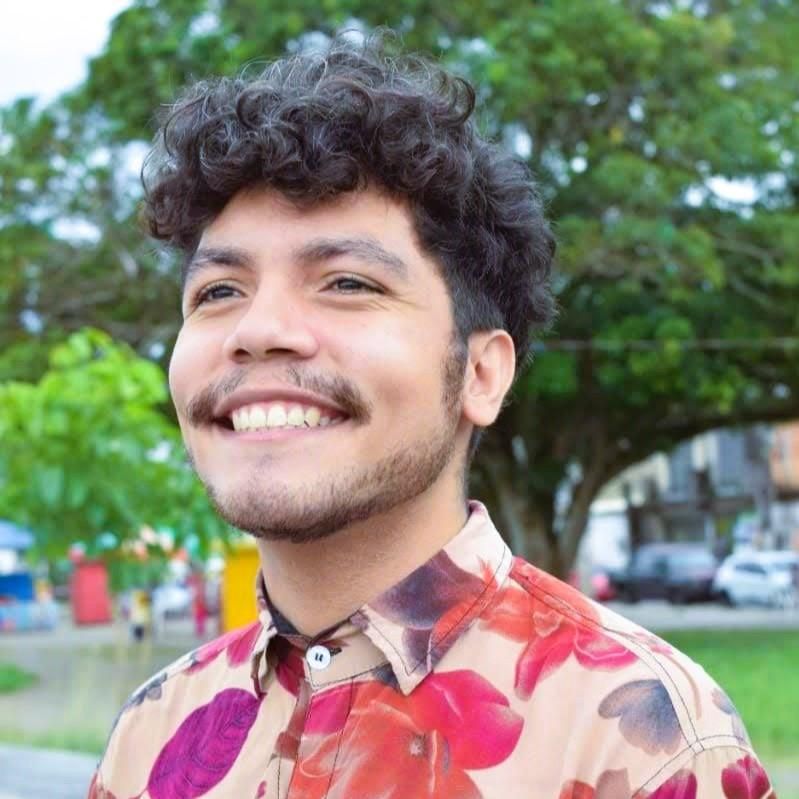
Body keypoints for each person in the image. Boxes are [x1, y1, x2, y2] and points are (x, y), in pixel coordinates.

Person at [89, 34, 774, 799]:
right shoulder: (151, 734)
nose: (257, 329)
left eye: (346, 282)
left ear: (480, 374)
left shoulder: (646, 746)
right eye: (218, 291)